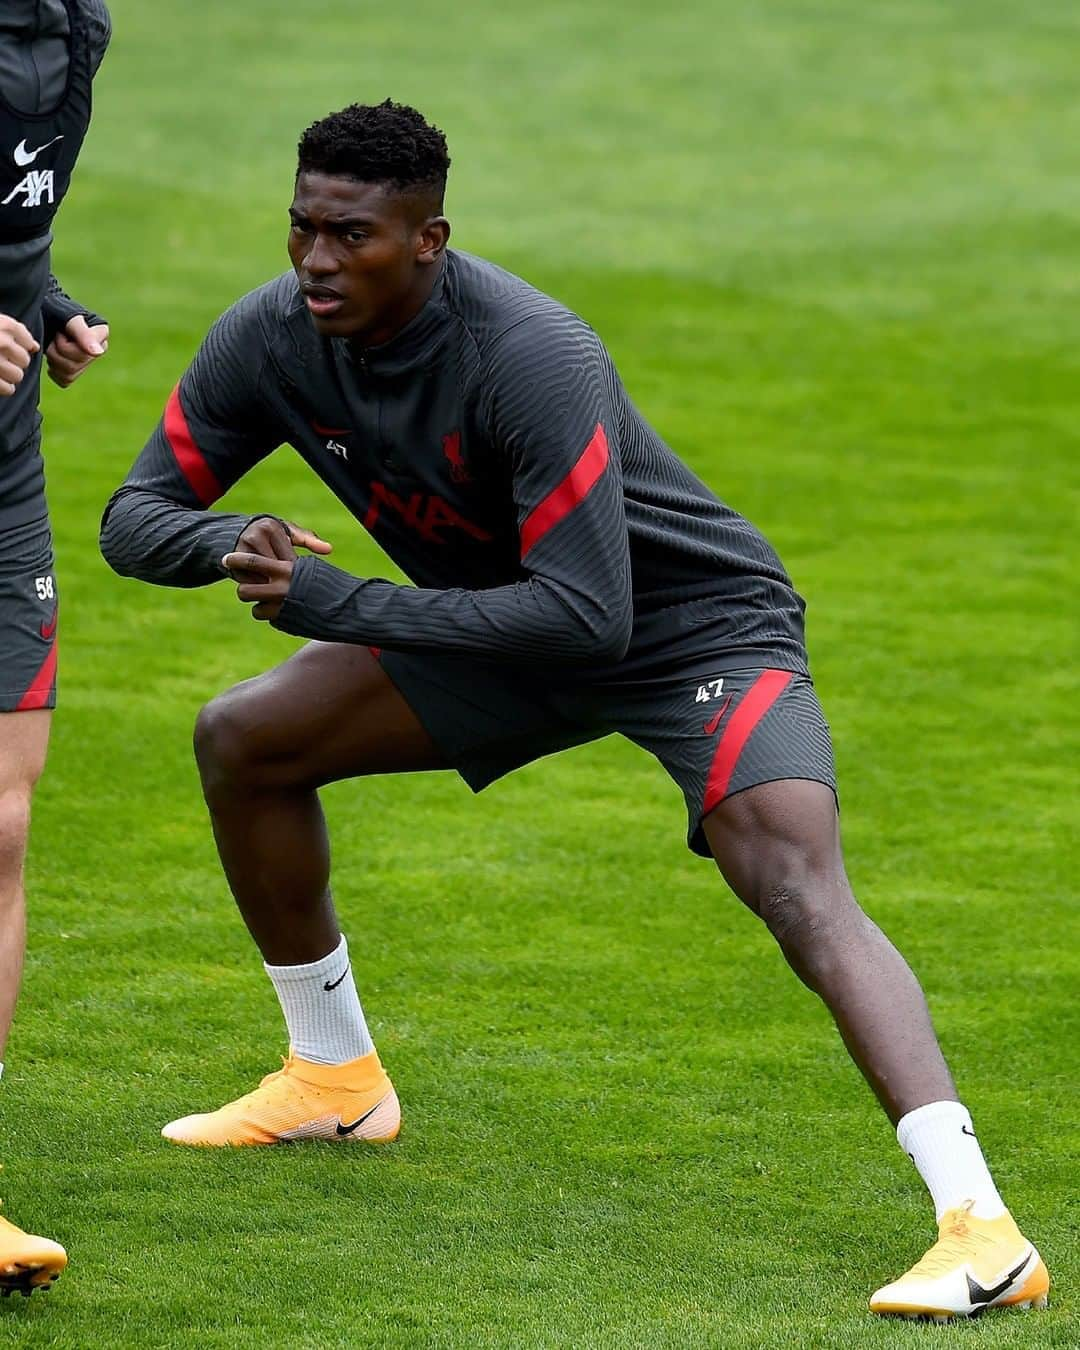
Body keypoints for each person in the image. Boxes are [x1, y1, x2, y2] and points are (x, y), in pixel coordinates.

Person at [100, 99, 1048, 1322]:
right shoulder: (272, 337)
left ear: (430, 239)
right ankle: (334, 1077)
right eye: (303, 229)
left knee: (793, 877)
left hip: (690, 628)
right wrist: (226, 534)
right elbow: (133, 517)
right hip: (493, 619)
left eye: (356, 237)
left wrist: (347, 602)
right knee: (246, 739)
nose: (318, 263)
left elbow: (592, 621)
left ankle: (983, 1230)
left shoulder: (531, 352)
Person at [0, 0, 111, 1298]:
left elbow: (16, 219)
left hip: (4, 483)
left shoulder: (73, 31)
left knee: (4, 827)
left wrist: (48, 302)